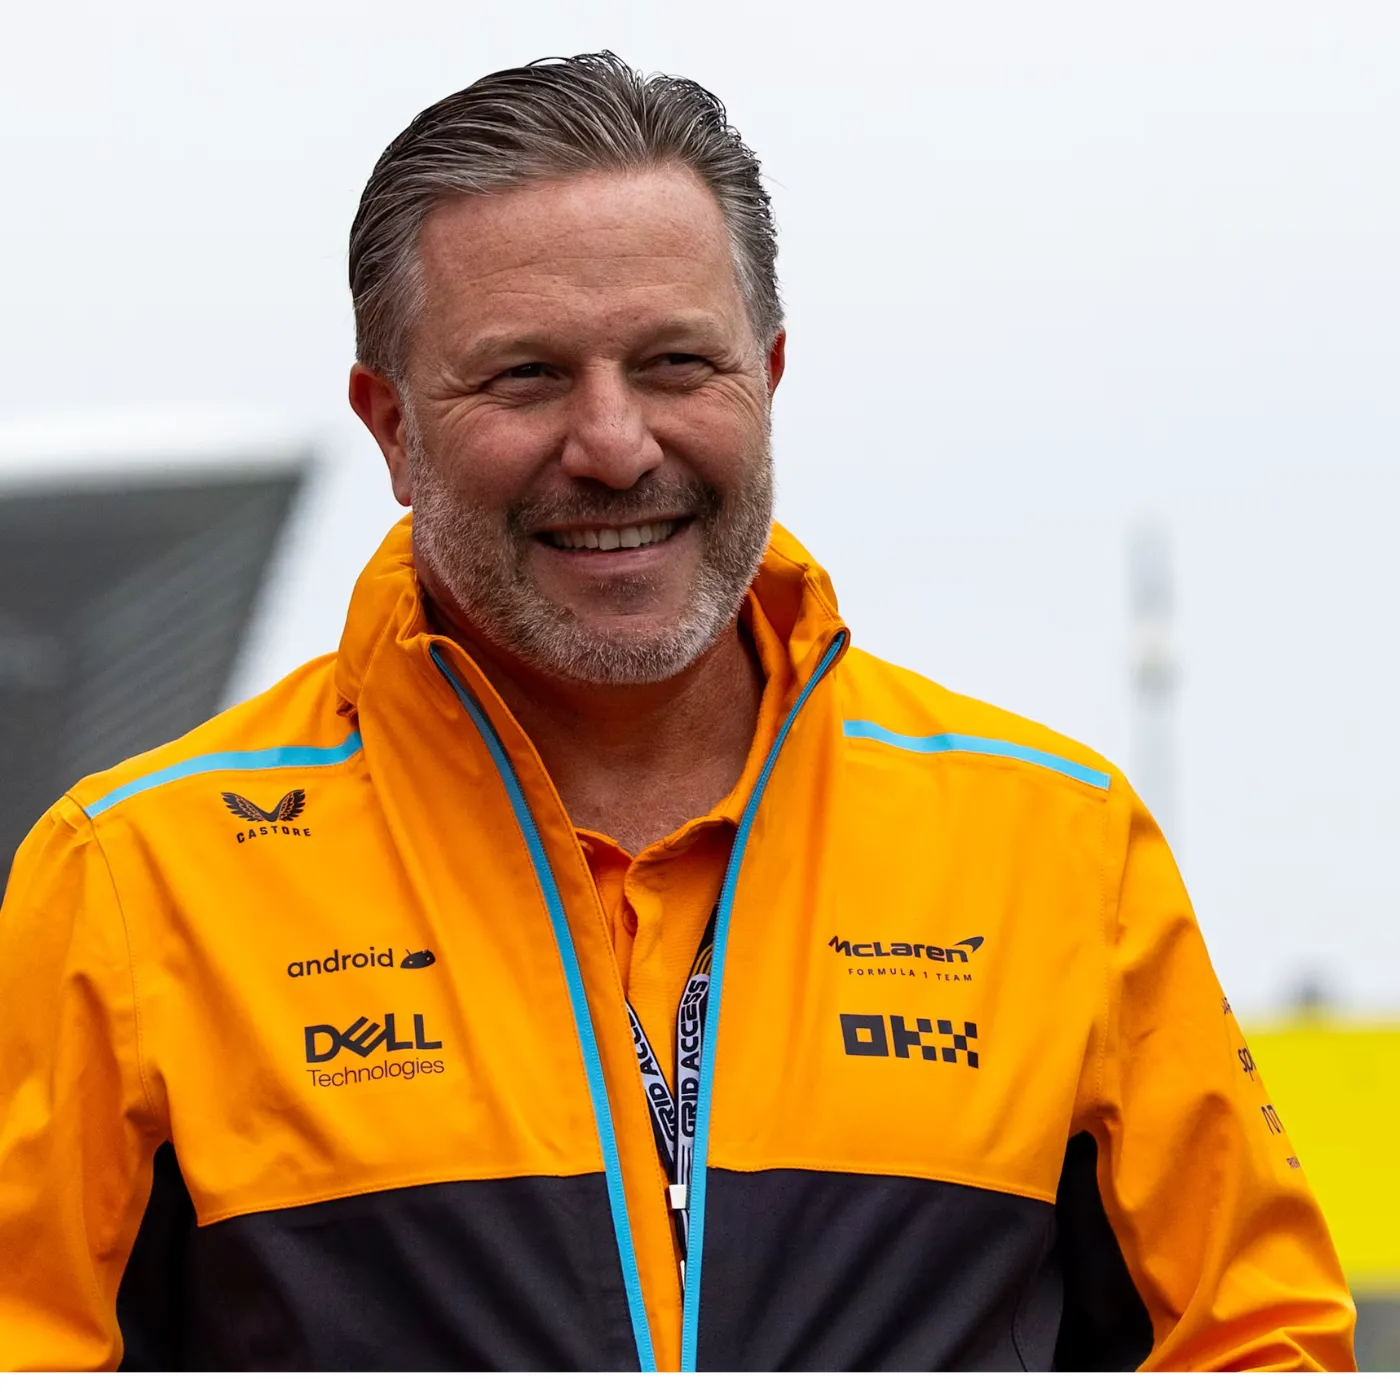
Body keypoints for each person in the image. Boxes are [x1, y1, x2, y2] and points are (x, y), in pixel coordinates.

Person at [0, 53, 1356, 1372]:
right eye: (525, 376)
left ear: (768, 376)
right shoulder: (138, 883)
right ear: (393, 427)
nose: (614, 445)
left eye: (673, 363)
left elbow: (1260, 1348)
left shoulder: (1056, 847)